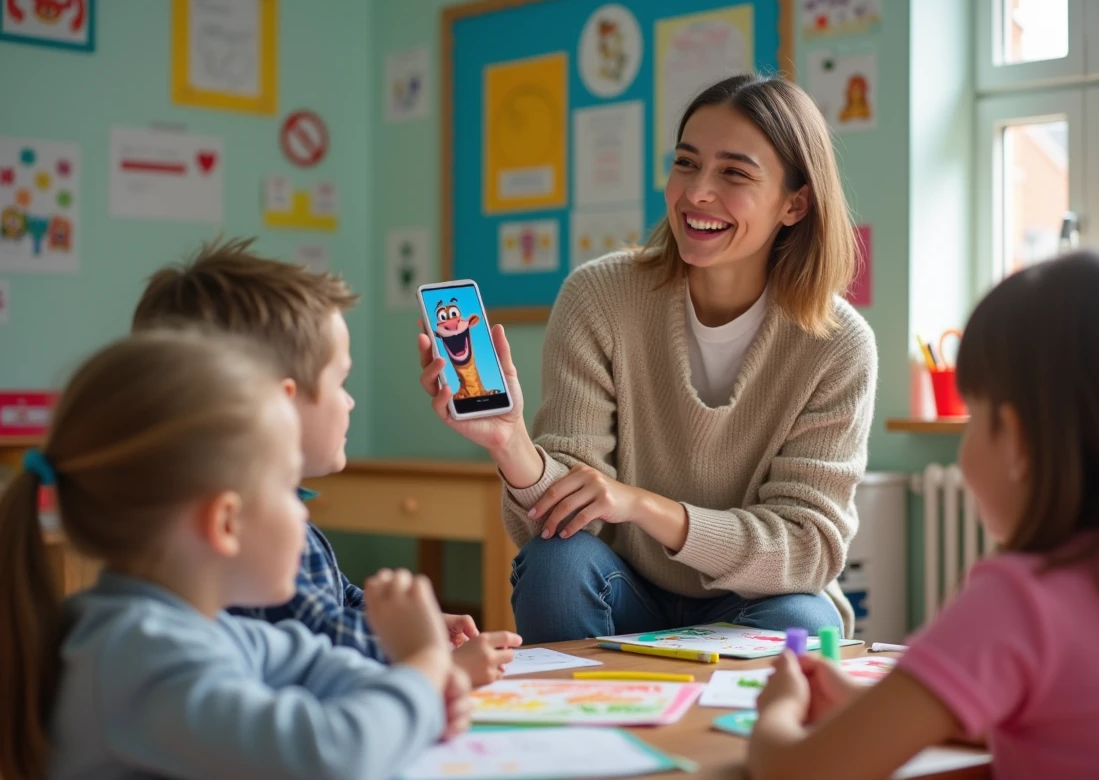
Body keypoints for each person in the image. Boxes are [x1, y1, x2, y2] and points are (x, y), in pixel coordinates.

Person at [419, 74, 877, 643]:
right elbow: (562, 517)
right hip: (623, 586)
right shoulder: (599, 297)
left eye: (733, 172)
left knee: (801, 620)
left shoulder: (838, 345)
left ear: (795, 203)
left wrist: (643, 507)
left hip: (756, 599)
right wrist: (509, 442)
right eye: (686, 163)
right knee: (556, 565)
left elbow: (808, 548)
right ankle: (574, 730)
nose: (696, 192)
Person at [749, 251, 1099, 779]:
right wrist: (865, 706)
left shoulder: (1021, 601)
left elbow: (796, 772)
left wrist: (776, 709)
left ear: (1017, 440)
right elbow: (1083, 724)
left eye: (972, 416)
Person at [0, 330, 470, 780]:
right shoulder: (139, 657)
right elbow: (332, 756)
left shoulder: (193, 628)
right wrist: (423, 665)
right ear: (225, 522)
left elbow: (315, 665)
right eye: (288, 491)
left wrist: (420, 691)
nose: (303, 516)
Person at [134, 239, 520, 685]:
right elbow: (320, 642)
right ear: (284, 403)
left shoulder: (238, 510)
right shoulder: (258, 530)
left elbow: (336, 602)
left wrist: (416, 622)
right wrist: (428, 656)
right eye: (341, 380)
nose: (351, 401)